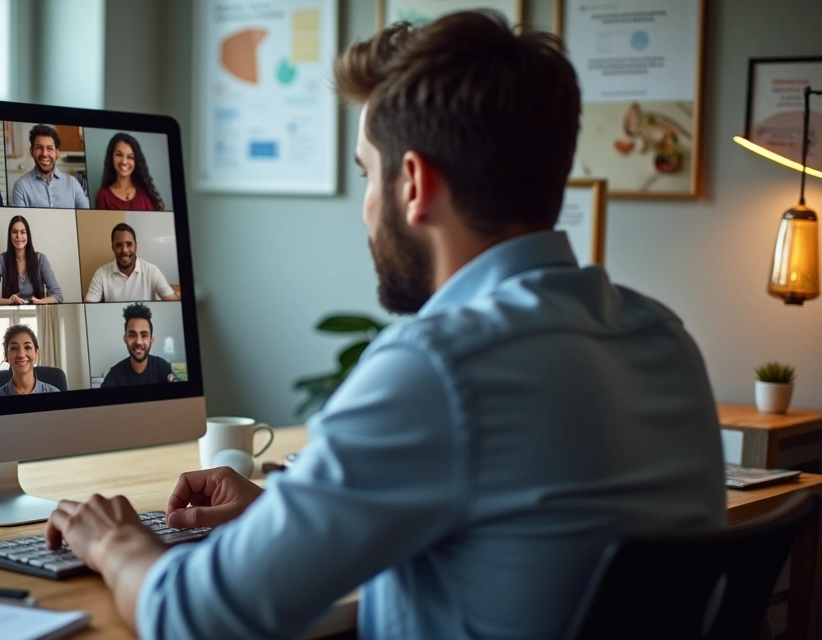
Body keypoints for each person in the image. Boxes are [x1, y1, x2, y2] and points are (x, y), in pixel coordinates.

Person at [41, 11, 726, 640]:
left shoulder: (442, 367)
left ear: (414, 186)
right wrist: (287, 505)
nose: (366, 209)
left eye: (367, 174)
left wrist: (112, 541)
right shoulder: (662, 337)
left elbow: (196, 617)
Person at [0, 216, 63, 305]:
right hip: (11, 314)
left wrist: (40, 301)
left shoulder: (41, 259)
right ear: (9, 235)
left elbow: (58, 296)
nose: (18, 236)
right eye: (14, 232)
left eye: (23, 232)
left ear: (28, 235)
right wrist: (9, 301)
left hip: (38, 314)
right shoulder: (1, 260)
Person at [84, 223, 179, 302]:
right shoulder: (101, 274)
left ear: (136, 246)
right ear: (113, 247)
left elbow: (172, 298)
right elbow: (88, 305)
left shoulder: (152, 271)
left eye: (129, 244)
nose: (124, 250)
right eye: (118, 245)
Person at [9, 124, 90, 208]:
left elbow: (86, 216)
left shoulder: (73, 184)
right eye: (39, 147)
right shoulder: (21, 186)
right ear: (31, 151)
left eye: (50, 148)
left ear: (57, 153)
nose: (44, 154)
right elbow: (20, 220)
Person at [100, 303, 177, 388]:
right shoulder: (114, 376)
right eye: (132, 335)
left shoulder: (163, 368)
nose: (138, 342)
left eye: (144, 335)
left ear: (152, 340)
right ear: (125, 339)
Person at [94, 133, 166, 211]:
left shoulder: (145, 193)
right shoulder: (103, 195)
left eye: (130, 157)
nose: (124, 162)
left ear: (137, 161)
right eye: (119, 155)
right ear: (111, 157)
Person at [0, 325, 61, 396]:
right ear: (6, 355)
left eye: (27, 347)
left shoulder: (55, 394)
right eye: (14, 348)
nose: (21, 354)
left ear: (36, 353)